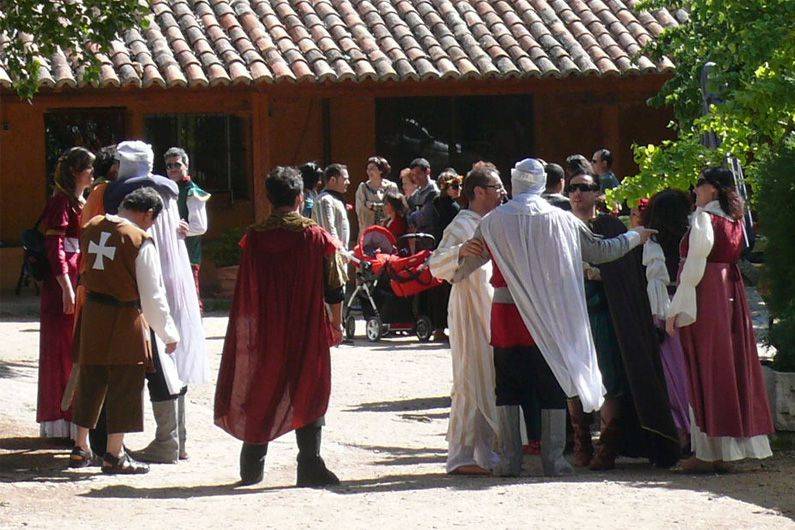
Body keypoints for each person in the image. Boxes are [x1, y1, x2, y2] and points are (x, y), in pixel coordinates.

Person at [454, 158, 654, 476]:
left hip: (506, 315)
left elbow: (464, 266)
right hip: (551, 316)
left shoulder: (492, 222)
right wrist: (635, 237)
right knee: (552, 385)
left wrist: (446, 264)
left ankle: (508, 460)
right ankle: (554, 460)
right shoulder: (563, 220)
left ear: (516, 181)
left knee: (507, 387)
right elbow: (602, 251)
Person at [214, 166, 347, 487]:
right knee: (310, 389)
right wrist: (338, 323)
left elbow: (248, 290)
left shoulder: (255, 239)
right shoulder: (315, 237)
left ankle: (251, 465)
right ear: (301, 197)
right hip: (306, 327)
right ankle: (310, 465)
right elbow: (334, 287)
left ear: (269, 198)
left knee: (263, 386)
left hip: (267, 330)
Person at [105, 140, 209, 464]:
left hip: (153, 279)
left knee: (161, 365)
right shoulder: (168, 190)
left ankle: (167, 441)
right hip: (176, 276)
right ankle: (178, 441)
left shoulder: (127, 194)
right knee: (173, 359)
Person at [567, 172, 679, 470]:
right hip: (572, 313)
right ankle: (581, 442)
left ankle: (607, 446)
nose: (578, 193)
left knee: (609, 378)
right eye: (573, 188)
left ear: (597, 193)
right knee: (573, 378)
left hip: (605, 312)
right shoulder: (561, 225)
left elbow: (627, 273)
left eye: (585, 188)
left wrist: (599, 273)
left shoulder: (610, 226)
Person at [666, 167, 774, 472]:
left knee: (709, 365)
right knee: (732, 364)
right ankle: (731, 449)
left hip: (707, 294)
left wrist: (678, 307)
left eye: (699, 185)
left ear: (712, 189)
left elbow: (695, 265)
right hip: (730, 290)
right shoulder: (734, 220)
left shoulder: (705, 219)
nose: (695, 191)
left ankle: (710, 451)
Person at [69, 188, 180, 474]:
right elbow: (152, 295)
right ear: (147, 214)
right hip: (124, 318)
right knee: (125, 383)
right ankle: (114, 454)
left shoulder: (91, 226)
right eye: (152, 220)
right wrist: (168, 333)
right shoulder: (138, 240)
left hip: (93, 314)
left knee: (90, 379)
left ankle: (81, 447)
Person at [429, 165, 505, 475]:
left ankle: (486, 453)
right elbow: (436, 264)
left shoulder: (496, 222)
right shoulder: (462, 225)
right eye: (497, 188)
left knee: (492, 376)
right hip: (469, 308)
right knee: (470, 376)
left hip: (492, 307)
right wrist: (461, 251)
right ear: (479, 192)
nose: (502, 193)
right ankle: (461, 456)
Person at [38, 147, 94, 439]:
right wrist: (66, 287)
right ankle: (63, 418)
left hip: (77, 276)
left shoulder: (81, 201)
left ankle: (75, 418)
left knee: (75, 348)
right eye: (88, 168)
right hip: (64, 283)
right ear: (76, 171)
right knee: (64, 349)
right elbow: (55, 247)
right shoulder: (61, 202)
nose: (92, 174)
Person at [642, 189, 693, 442]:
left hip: (660, 313)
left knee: (670, 376)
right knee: (690, 374)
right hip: (689, 311)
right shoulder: (692, 241)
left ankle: (679, 432)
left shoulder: (650, 245)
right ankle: (696, 432)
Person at [164, 147, 211, 314]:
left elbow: (200, 226)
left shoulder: (192, 191)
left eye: (176, 164)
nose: (172, 169)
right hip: (171, 252)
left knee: (190, 298)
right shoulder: (167, 189)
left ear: (186, 166)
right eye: (169, 166)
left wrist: (177, 230)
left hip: (189, 254)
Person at [355, 156, 399, 234]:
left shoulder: (391, 186)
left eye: (372, 168)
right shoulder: (363, 188)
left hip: (387, 230)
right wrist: (381, 207)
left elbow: (393, 209)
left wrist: (372, 206)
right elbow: (360, 210)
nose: (369, 171)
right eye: (368, 169)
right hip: (368, 231)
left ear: (381, 170)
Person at [312, 163, 351, 250]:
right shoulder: (324, 200)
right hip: (332, 257)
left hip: (339, 256)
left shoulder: (335, 199)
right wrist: (340, 253)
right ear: (332, 180)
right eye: (345, 179)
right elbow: (328, 232)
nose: (348, 182)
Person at [406, 158, 440, 235]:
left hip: (431, 237)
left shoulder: (434, 192)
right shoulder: (416, 193)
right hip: (419, 238)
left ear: (427, 172)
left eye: (418, 173)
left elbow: (424, 218)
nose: (415, 177)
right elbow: (407, 212)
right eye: (413, 175)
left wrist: (412, 216)